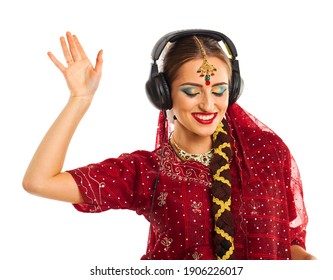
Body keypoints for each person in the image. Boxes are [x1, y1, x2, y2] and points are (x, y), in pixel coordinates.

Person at [23, 29, 316, 260]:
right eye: (191, 91)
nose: (208, 103)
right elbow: (39, 182)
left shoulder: (265, 153)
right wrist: (80, 100)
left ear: (233, 90)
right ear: (164, 95)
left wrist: (306, 262)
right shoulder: (146, 172)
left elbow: (283, 243)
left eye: (219, 90)